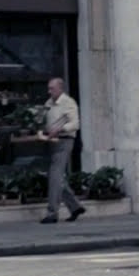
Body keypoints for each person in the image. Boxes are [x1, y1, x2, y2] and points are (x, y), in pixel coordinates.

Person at [38, 77, 86, 224]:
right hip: (51, 142)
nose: (49, 91)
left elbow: (75, 124)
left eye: (52, 88)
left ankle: (52, 213)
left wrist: (59, 129)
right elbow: (43, 120)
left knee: (54, 176)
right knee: (56, 177)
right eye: (48, 88)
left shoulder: (68, 102)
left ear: (60, 88)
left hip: (64, 141)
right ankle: (75, 206)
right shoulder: (48, 103)